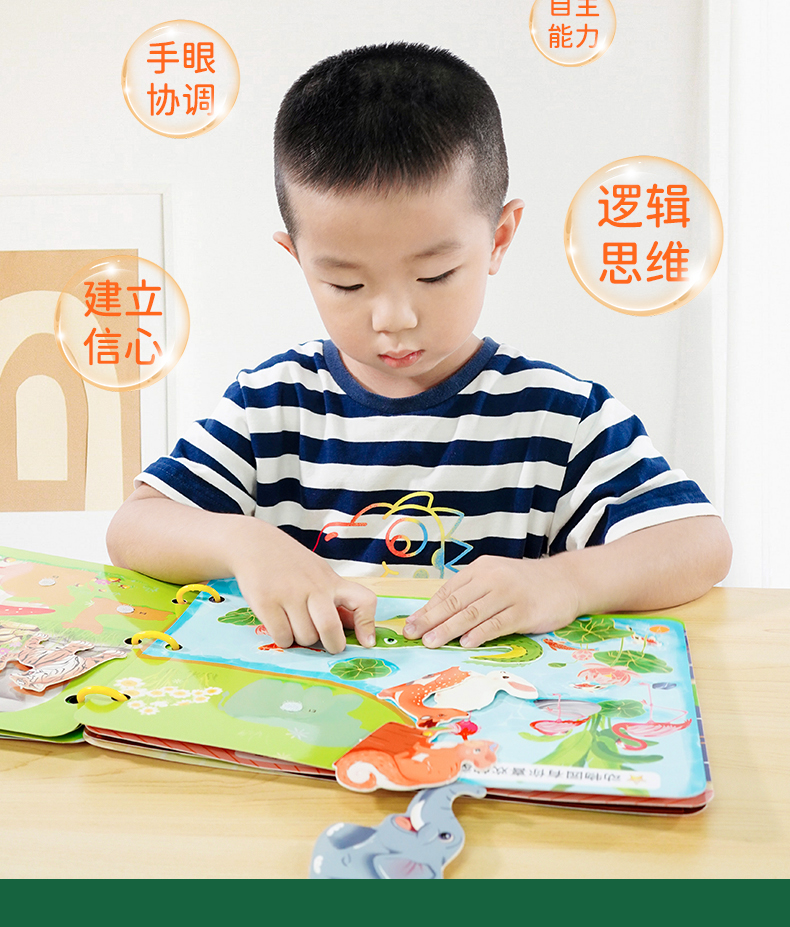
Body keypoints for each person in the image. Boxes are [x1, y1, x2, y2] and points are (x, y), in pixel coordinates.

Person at [107, 42, 732, 656]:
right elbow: (133, 528)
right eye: (346, 284)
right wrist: (246, 544)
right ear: (296, 258)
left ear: (499, 239)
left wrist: (563, 582)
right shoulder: (270, 406)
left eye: (434, 275)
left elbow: (698, 543)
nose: (394, 318)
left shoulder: (558, 417)